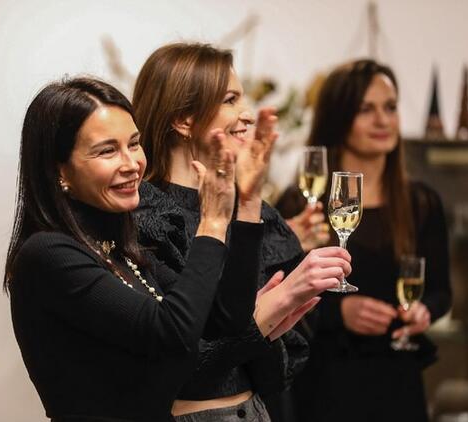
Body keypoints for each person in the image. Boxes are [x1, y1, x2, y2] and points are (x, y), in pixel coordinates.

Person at [6, 76, 274, 421]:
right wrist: (212, 222)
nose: (131, 164)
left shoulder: (120, 247)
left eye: (134, 144)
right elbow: (172, 334)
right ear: (60, 171)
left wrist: (248, 204)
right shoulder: (47, 254)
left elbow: (226, 318)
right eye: (107, 150)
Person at [132, 42, 352, 421]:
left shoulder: (260, 215)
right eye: (230, 100)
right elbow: (178, 371)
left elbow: (275, 377)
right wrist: (271, 308)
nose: (247, 115)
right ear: (183, 119)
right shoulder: (147, 218)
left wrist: (271, 313)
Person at [276, 59, 452, 422]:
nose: (383, 120)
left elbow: (441, 291)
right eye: (366, 109)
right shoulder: (301, 205)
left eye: (390, 107)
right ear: (338, 118)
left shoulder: (422, 203)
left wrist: (423, 312)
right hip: (326, 383)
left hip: (398, 381)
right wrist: (338, 314)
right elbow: (274, 294)